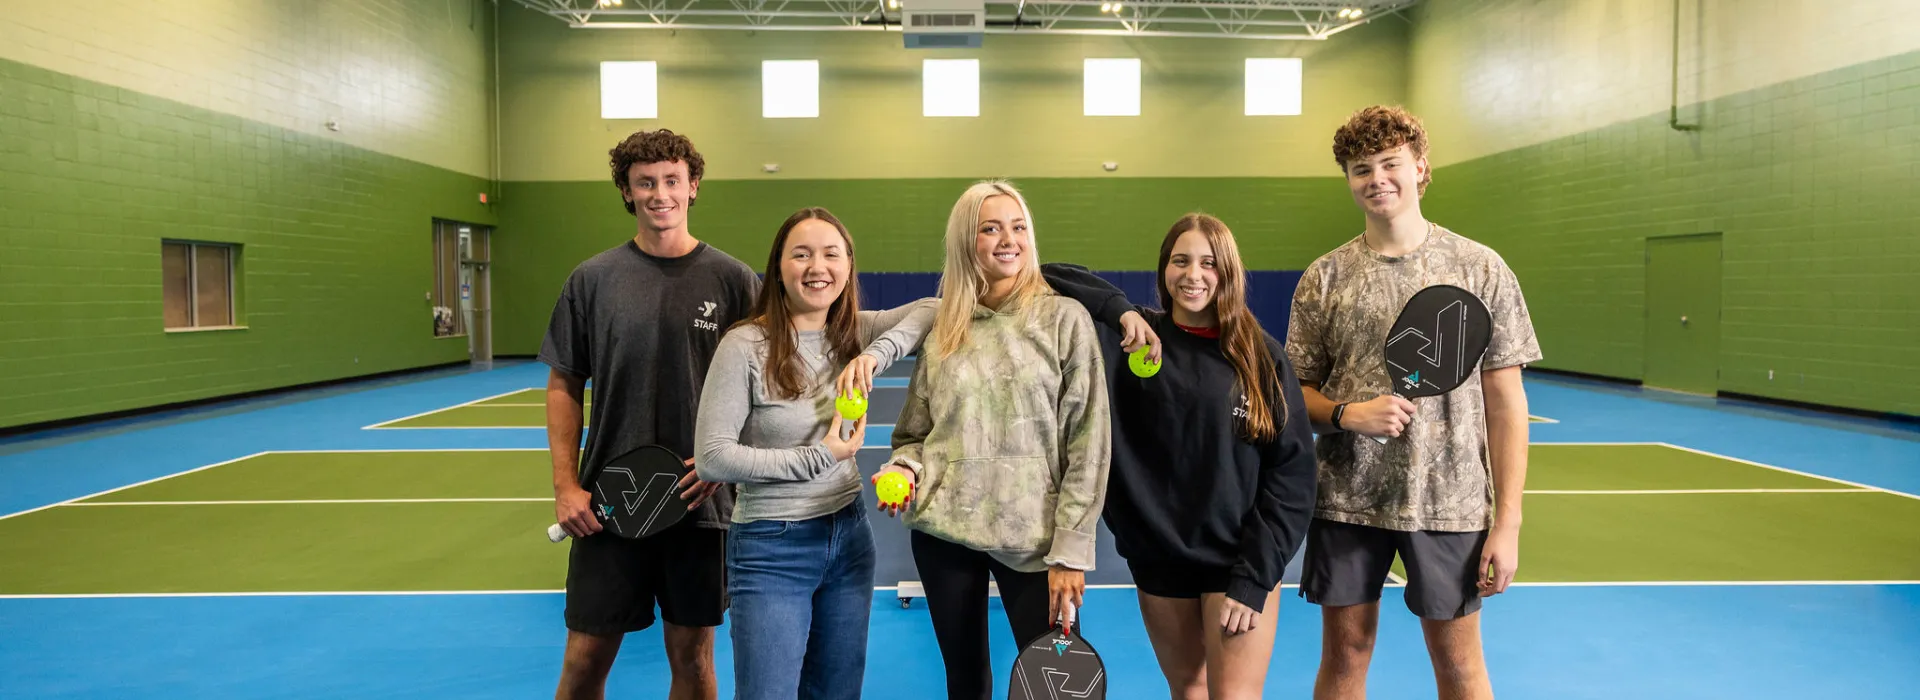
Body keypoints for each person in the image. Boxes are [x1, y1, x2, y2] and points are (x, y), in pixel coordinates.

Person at [1286, 105, 1541, 700]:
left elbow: (1506, 404)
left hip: (1450, 502)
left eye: (1389, 163)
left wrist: (1509, 522)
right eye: (1359, 168)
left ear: (1421, 169)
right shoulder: (1325, 277)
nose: (1376, 178)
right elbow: (1294, 394)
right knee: (1345, 656)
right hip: (1348, 500)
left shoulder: (1482, 269)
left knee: (1458, 664)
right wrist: (1350, 414)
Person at [1039, 212, 1318, 700]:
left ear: (1228, 272)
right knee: (1188, 691)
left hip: (1237, 562)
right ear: (1163, 269)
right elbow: (1045, 273)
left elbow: (1291, 476)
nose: (1193, 275)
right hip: (1159, 561)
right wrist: (1121, 311)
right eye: (1180, 261)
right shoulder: (1130, 342)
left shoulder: (1260, 355)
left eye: (1209, 263)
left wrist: (1254, 578)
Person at [539, 128, 760, 700]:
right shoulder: (591, 280)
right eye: (645, 183)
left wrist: (728, 464)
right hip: (608, 505)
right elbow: (564, 383)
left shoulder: (736, 282)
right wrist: (566, 487)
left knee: (694, 660)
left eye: (671, 180)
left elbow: (765, 386)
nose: (659, 193)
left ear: (692, 188)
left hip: (701, 504)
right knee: (584, 659)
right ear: (627, 192)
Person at [871, 180, 1113, 700]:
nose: (1009, 238)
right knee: (967, 684)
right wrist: (904, 468)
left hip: (1035, 544)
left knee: (1055, 691)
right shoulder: (946, 327)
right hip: (945, 536)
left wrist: (1070, 552)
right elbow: (914, 435)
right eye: (991, 227)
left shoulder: (1064, 320)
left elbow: (1089, 444)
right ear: (967, 241)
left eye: (1018, 226)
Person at [692, 207, 937, 700]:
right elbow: (713, 458)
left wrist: (872, 355)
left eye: (831, 254)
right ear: (778, 267)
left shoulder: (854, 334)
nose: (816, 267)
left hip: (848, 538)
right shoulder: (743, 345)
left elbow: (932, 310)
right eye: (800, 254)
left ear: (848, 266)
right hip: (770, 548)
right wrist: (821, 454)